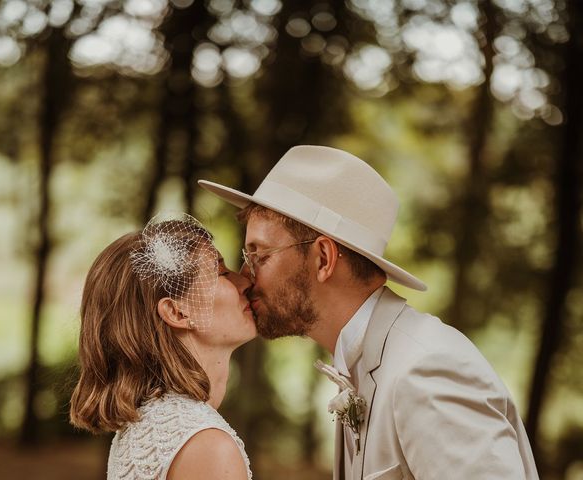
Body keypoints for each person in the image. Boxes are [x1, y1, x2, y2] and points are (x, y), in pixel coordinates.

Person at [199, 145, 539, 479]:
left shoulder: (426, 370)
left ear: (323, 259)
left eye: (260, 255)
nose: (245, 277)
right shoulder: (362, 364)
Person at [70, 213, 255, 480]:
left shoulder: (150, 426)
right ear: (177, 312)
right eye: (221, 273)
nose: (245, 282)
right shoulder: (207, 446)